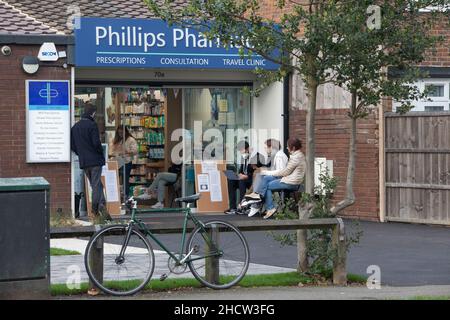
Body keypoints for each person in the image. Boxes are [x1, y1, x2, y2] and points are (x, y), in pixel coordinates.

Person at [245, 138, 305, 219]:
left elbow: (284, 172)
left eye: (288, 146)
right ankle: (257, 200)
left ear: (293, 148)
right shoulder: (297, 156)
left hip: (291, 182)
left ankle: (265, 206)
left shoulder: (291, 157)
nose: (287, 148)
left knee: (266, 184)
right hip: (291, 180)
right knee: (264, 178)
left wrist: (266, 172)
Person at [71, 103, 111, 223]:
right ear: (92, 113)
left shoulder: (75, 127)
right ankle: (95, 211)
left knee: (97, 185)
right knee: (96, 185)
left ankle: (103, 209)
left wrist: (81, 153)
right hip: (95, 160)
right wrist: (100, 153)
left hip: (84, 161)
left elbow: (72, 145)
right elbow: (96, 143)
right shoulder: (92, 125)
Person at [246, 139, 288, 217]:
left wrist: (266, 172)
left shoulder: (279, 156)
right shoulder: (277, 155)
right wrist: (266, 171)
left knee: (263, 179)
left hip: (281, 179)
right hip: (279, 177)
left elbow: (281, 172)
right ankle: (258, 203)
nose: (265, 149)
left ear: (271, 147)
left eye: (266, 147)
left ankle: (256, 203)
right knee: (260, 176)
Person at [225, 140, 265, 214]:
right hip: (244, 178)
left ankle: (243, 207)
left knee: (241, 181)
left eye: (242, 150)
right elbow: (241, 170)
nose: (241, 153)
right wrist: (238, 175)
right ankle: (232, 207)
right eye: (240, 151)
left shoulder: (256, 157)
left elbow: (256, 172)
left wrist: (246, 176)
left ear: (247, 148)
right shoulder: (244, 157)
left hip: (251, 180)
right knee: (231, 181)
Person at [109, 126, 138, 200]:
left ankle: (126, 197)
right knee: (114, 180)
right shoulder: (116, 140)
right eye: (119, 133)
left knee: (125, 180)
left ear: (126, 132)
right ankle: (115, 197)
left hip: (126, 162)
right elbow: (111, 151)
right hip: (116, 162)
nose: (120, 134)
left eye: (122, 132)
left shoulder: (130, 139)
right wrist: (112, 153)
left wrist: (125, 152)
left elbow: (135, 151)